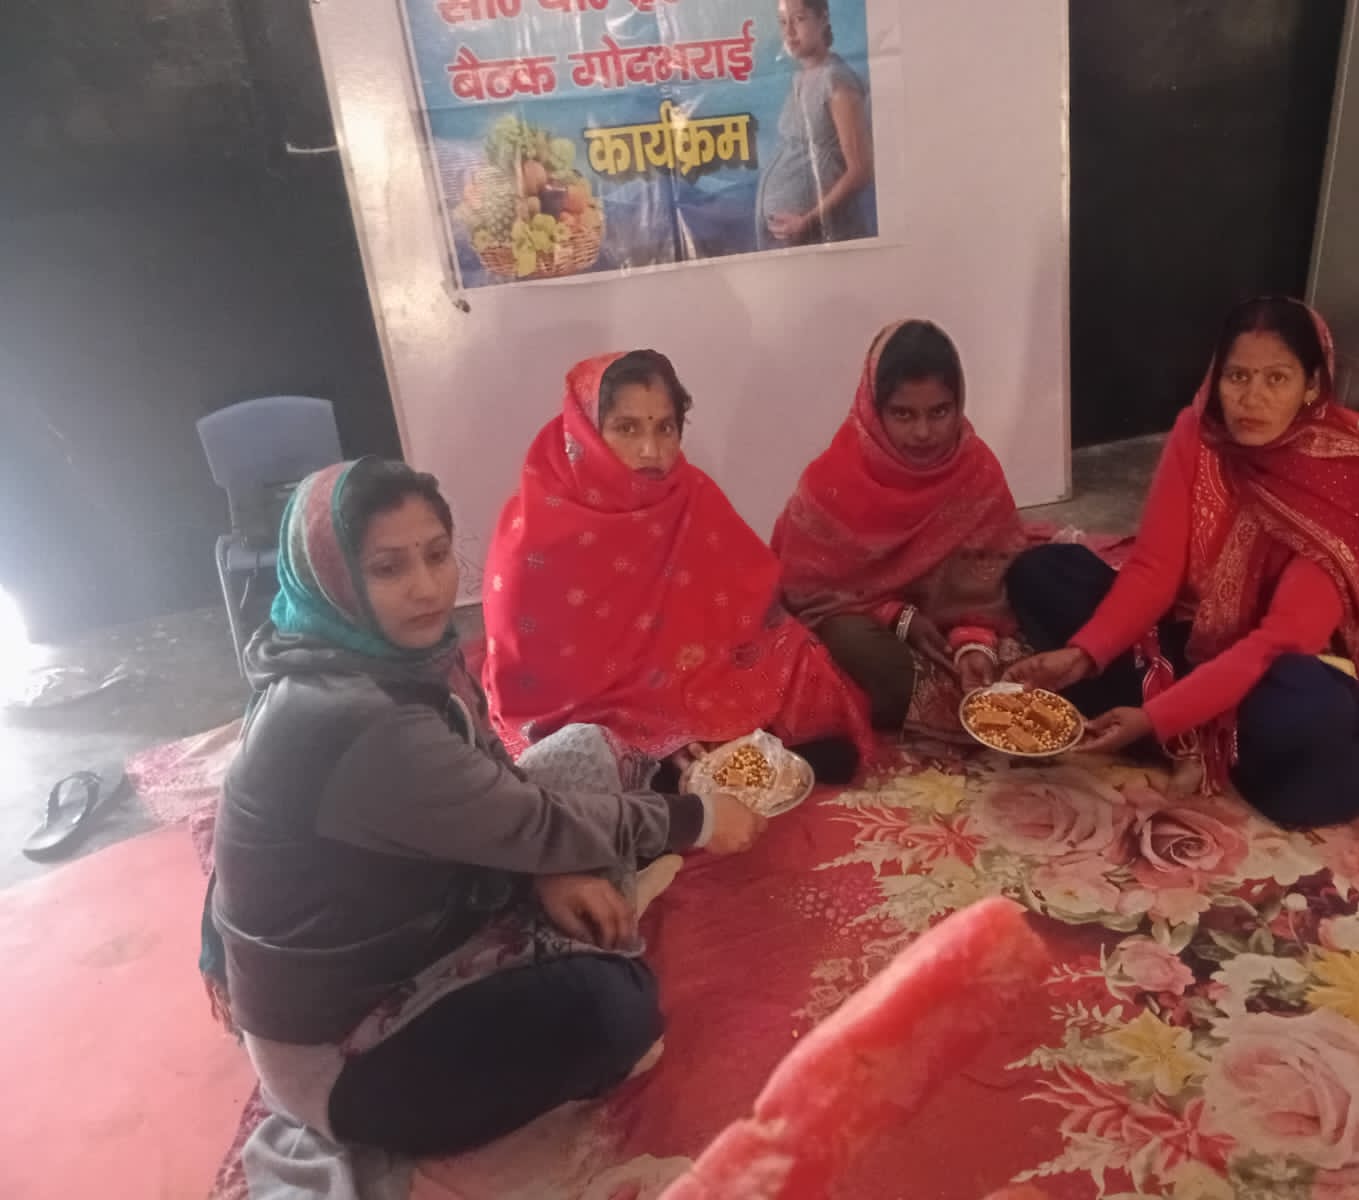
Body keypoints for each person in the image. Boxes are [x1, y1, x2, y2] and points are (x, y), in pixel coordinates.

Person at [205, 457, 765, 1158]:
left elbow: (496, 779)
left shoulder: (376, 656)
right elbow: (529, 820)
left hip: (422, 899)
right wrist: (698, 820)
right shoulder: (356, 718)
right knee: (616, 1008)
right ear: (333, 579)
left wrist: (546, 869)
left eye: (438, 555)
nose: (427, 588)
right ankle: (578, 925)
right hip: (349, 1047)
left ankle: (572, 894)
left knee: (582, 748)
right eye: (387, 568)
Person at [1004, 297, 1359, 827]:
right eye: (1237, 376)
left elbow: (1280, 641)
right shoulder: (1199, 434)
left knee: (1307, 713)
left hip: (1269, 672)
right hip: (1181, 637)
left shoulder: (1346, 481)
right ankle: (1186, 728)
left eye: (1276, 379)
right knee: (1043, 574)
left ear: (1312, 385)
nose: (1251, 398)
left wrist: (1155, 717)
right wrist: (1084, 655)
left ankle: (1187, 732)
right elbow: (1153, 571)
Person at [482, 350, 872, 778]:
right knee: (583, 758)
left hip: (694, 679)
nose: (651, 450)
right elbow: (540, 687)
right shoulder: (536, 531)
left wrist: (705, 704)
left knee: (801, 658)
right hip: (599, 710)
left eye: (665, 428)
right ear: (586, 430)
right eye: (627, 428)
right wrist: (668, 732)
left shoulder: (690, 494)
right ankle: (677, 771)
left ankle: (702, 765)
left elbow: (749, 606)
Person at [772, 320, 1043, 737]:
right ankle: (932, 707)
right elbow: (805, 592)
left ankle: (960, 696)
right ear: (873, 409)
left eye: (940, 412)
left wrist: (974, 639)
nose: (923, 433)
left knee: (1045, 614)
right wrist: (895, 615)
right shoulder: (831, 482)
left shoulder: (976, 470)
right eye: (903, 414)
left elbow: (989, 578)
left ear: (959, 404)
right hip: (868, 627)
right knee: (853, 648)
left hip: (950, 631)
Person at [758, 0, 874, 248]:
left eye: (799, 19)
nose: (789, 32)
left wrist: (808, 221)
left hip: (821, 234)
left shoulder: (836, 79)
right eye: (783, 22)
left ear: (823, 18)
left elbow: (861, 170)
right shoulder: (800, 77)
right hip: (792, 238)